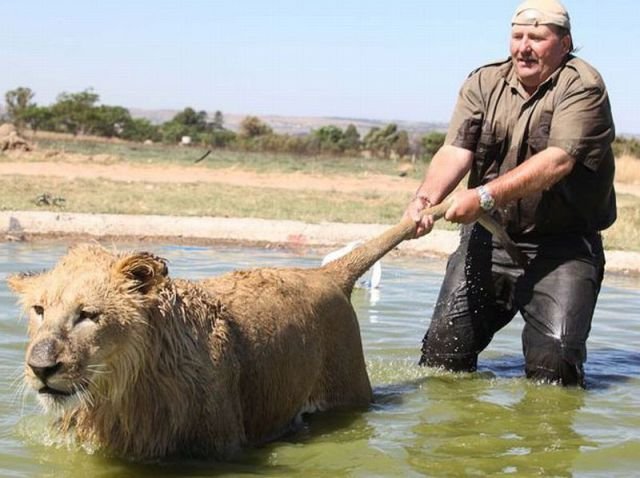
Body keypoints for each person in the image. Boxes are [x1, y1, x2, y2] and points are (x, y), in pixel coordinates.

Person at [403, 0, 616, 387]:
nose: (524, 47)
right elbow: (456, 149)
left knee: (555, 369)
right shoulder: (483, 82)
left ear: (565, 43)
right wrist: (426, 199)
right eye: (517, 36)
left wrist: (483, 197)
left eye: (537, 38)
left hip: (563, 248)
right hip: (489, 238)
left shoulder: (583, 86)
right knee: (442, 358)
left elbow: (558, 160)